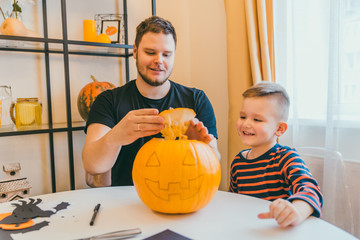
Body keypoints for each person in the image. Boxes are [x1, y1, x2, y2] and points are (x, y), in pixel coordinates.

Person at [82, 16, 219, 187]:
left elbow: (215, 162)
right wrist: (116, 136)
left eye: (167, 54)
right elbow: (92, 165)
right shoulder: (108, 101)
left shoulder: (196, 99)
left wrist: (203, 147)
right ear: (135, 51)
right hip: (124, 204)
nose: (159, 61)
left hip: (182, 198)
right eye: (150, 52)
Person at [229, 81, 322, 227]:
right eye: (242, 116)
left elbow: (311, 191)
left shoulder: (286, 157)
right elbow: (234, 203)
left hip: (278, 231)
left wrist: (296, 211)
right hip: (247, 230)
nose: (246, 124)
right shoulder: (237, 163)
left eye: (257, 119)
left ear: (279, 129)